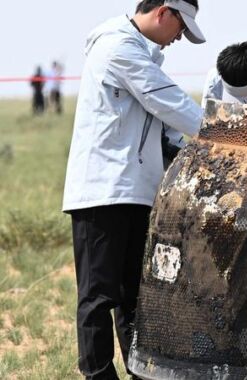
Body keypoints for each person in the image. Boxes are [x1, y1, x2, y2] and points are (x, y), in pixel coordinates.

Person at [61, 1, 206, 378]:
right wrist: (224, 135)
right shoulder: (117, 47)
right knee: (98, 297)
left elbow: (166, 126)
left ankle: (144, 372)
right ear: (163, 12)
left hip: (138, 193)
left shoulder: (142, 55)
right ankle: (99, 374)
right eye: (180, 27)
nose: (179, 38)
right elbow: (167, 100)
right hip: (103, 192)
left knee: (135, 298)